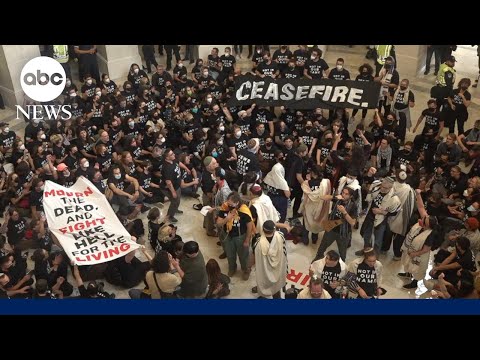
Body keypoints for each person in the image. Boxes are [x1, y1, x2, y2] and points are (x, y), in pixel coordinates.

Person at [216, 192, 254, 280]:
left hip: (241, 236)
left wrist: (247, 240)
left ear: (237, 203)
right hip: (228, 235)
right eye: (228, 203)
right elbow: (218, 223)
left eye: (231, 204)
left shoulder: (244, 211)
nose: (228, 205)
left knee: (244, 255)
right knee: (230, 254)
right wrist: (227, 219)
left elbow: (250, 226)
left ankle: (246, 270)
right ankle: (232, 268)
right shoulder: (225, 208)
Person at [313, 187, 358, 262]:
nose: (343, 195)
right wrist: (334, 197)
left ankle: (341, 264)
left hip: (343, 231)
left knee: (342, 252)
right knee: (323, 246)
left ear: (351, 196)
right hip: (331, 225)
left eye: (346, 194)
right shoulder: (338, 199)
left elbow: (353, 223)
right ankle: (318, 257)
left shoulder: (353, 206)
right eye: (343, 192)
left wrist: (344, 212)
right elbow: (322, 197)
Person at [252, 220, 287, 299]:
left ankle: (263, 295)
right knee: (276, 285)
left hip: (264, 270)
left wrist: (249, 266)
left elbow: (254, 257)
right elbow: (287, 228)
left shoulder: (258, 242)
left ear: (263, 229)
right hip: (278, 268)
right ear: (274, 230)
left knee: (264, 282)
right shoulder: (281, 236)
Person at [299, 165, 331, 245]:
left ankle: (305, 240)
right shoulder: (326, 182)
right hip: (320, 207)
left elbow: (304, 195)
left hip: (309, 206)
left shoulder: (306, 183)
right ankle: (314, 239)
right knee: (316, 223)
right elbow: (328, 194)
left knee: (306, 223)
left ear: (312, 173)